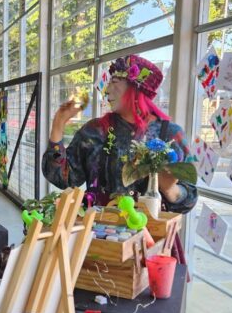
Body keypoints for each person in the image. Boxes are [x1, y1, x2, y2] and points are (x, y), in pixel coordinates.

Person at [42, 54, 197, 215]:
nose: (107, 90)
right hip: (101, 233)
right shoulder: (95, 130)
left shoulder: (171, 135)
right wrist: (58, 124)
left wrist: (170, 189)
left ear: (135, 88)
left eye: (114, 83)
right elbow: (64, 178)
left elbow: (189, 199)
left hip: (151, 235)